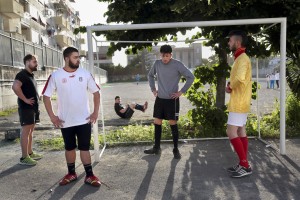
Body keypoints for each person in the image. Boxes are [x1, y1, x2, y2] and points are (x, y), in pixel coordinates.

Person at [42, 47, 101, 187]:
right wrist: (52, 117)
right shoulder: (56, 75)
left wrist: (95, 113)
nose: (78, 60)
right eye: (75, 57)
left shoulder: (85, 74)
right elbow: (46, 96)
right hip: (65, 121)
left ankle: (90, 175)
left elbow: (96, 93)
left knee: (85, 148)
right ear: (67, 58)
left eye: (79, 57)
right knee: (69, 148)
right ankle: (71, 173)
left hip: (84, 120)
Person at [144, 44, 194, 159]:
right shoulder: (157, 64)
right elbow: (150, 75)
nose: (165, 58)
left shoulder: (177, 64)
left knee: (173, 123)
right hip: (160, 99)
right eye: (163, 56)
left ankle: (176, 149)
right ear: (160, 55)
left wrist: (181, 92)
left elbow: (190, 77)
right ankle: (156, 148)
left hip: (172, 100)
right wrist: (153, 89)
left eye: (167, 56)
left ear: (171, 55)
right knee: (157, 122)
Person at [225, 30, 252, 178]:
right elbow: (239, 78)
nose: (228, 43)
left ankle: (245, 165)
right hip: (242, 101)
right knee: (241, 131)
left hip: (239, 102)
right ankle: (243, 164)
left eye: (230, 41)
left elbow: (240, 78)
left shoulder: (241, 58)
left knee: (231, 131)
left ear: (237, 42)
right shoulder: (241, 57)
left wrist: (229, 87)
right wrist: (231, 84)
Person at [12, 54, 42, 166]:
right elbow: (15, 87)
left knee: (30, 131)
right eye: (34, 61)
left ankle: (30, 153)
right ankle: (24, 157)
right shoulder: (22, 74)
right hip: (26, 108)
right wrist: (25, 99)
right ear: (27, 62)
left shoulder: (31, 75)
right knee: (25, 132)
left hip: (33, 108)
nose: (36, 64)